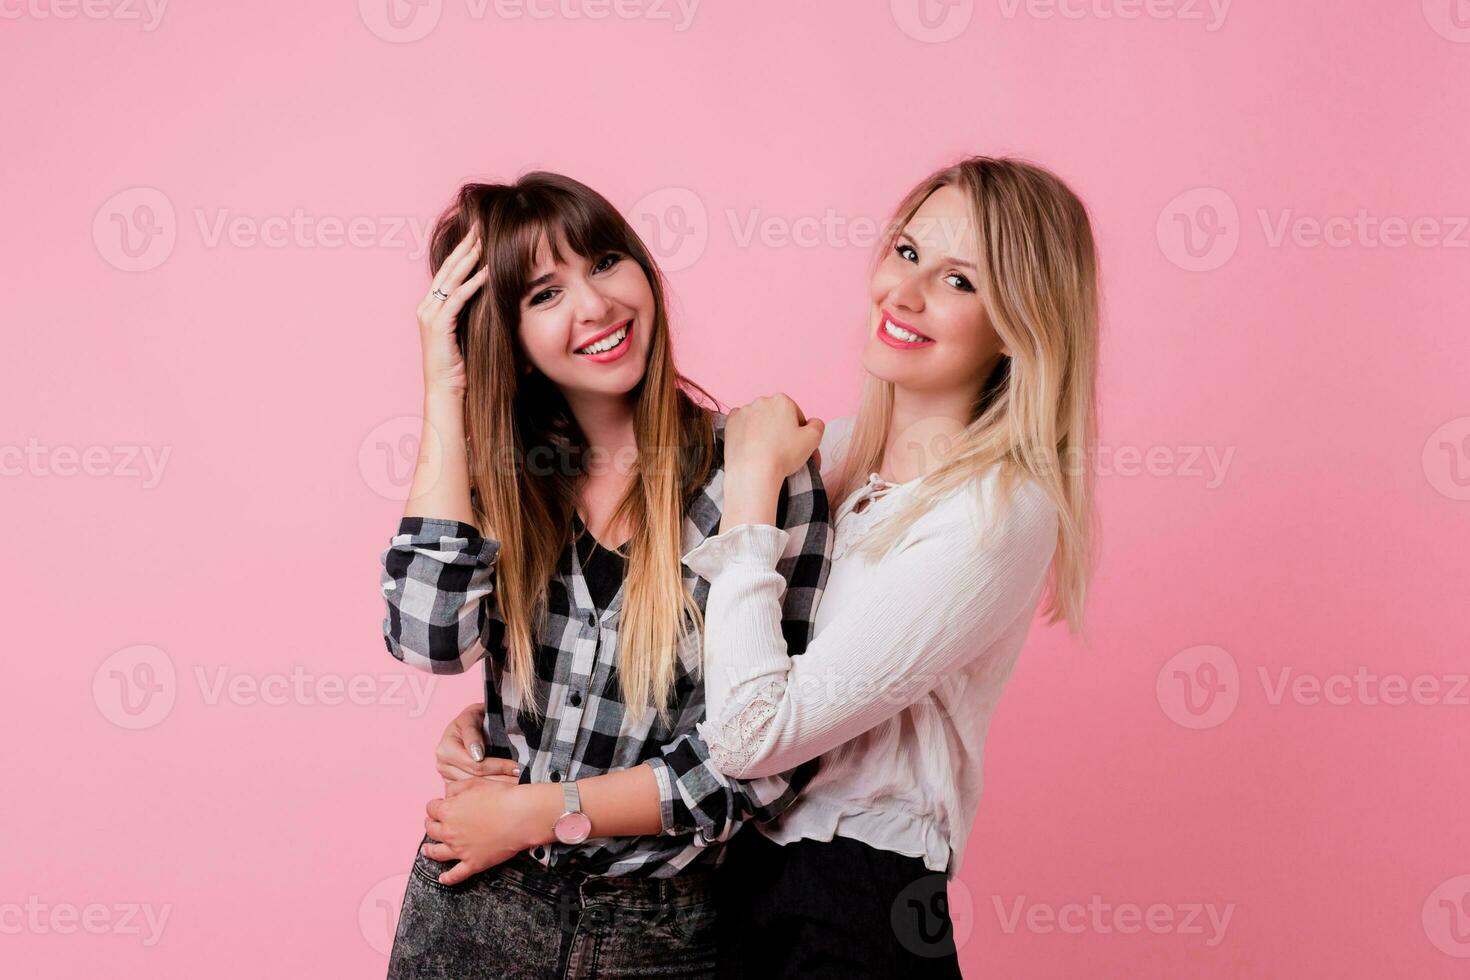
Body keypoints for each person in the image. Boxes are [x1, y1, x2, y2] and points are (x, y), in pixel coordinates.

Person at [378, 171, 830, 979]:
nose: (595, 305)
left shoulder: (758, 470)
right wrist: (447, 393)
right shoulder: (498, 481)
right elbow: (428, 641)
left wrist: (531, 813)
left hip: (660, 936)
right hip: (473, 911)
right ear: (501, 334)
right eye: (544, 294)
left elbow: (766, 765)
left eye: (607, 260)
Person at [682, 156, 1100, 978]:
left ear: (1022, 323)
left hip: (854, 899)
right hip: (729, 880)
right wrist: (502, 732)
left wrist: (752, 488)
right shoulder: (826, 457)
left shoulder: (995, 513)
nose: (903, 295)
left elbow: (748, 735)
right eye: (907, 253)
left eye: (958, 282)